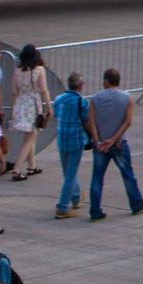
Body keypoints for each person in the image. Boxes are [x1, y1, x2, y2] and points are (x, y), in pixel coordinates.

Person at [83, 68, 143, 220]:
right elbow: (128, 122)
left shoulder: (95, 98)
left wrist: (97, 140)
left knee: (97, 177)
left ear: (106, 81)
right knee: (127, 174)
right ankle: (136, 203)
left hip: (100, 145)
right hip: (119, 143)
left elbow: (91, 121)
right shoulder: (127, 98)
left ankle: (95, 210)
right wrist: (114, 138)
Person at [51, 70, 88, 218]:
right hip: (76, 140)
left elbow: (55, 114)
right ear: (79, 85)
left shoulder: (59, 99)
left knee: (68, 171)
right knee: (70, 174)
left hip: (62, 139)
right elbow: (86, 120)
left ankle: (76, 197)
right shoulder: (81, 101)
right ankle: (62, 207)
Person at [3, 47, 45, 178]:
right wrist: (49, 106)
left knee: (29, 136)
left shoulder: (17, 71)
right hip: (33, 105)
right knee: (30, 137)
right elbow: (44, 90)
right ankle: (16, 170)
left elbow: (14, 92)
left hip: (21, 105)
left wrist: (14, 110)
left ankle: (32, 166)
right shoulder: (39, 70)